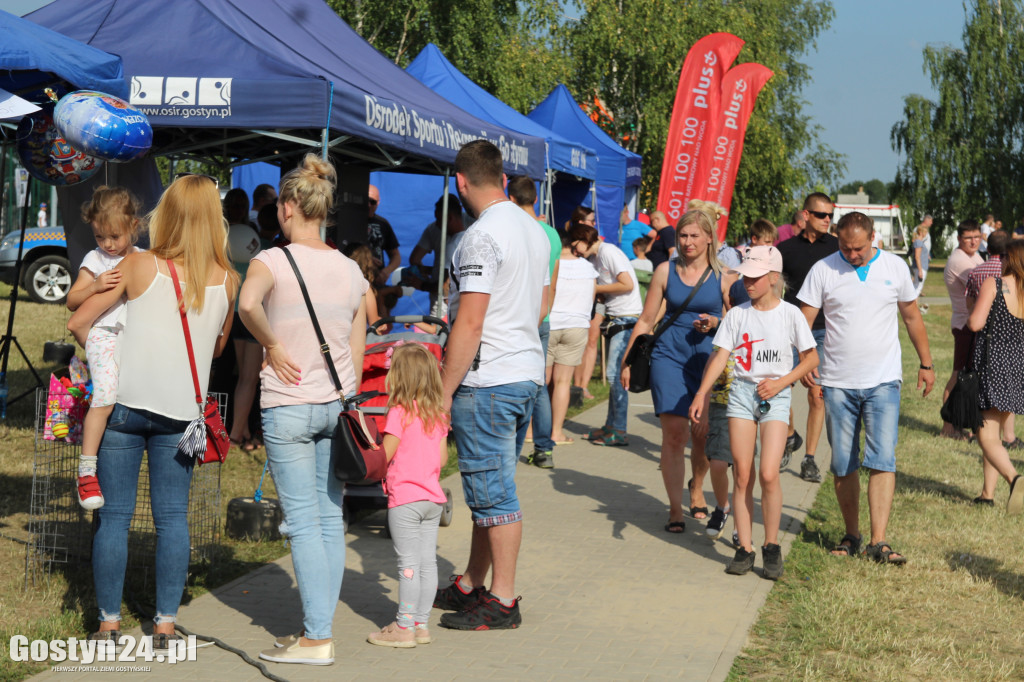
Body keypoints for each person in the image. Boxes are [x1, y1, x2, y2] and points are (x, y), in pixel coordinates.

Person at [66, 173, 237, 650]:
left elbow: (79, 318)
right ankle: (164, 624)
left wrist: (106, 362)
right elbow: (218, 350)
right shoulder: (229, 278)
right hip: (183, 415)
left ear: (168, 214)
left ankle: (107, 624)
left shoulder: (141, 264)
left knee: (114, 517)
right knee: (173, 520)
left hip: (123, 407)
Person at [241, 154, 368, 665]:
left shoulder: (271, 261)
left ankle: (317, 638)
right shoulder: (351, 268)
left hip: (289, 407)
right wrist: (347, 397)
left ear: (288, 208)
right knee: (329, 517)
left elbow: (248, 305)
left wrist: (271, 343)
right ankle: (318, 626)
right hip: (334, 407)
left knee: (303, 522)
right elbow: (357, 348)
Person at [434, 140, 549, 631]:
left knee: (494, 495)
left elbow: (470, 323)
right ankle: (472, 583)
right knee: (491, 485)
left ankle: (502, 599)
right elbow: (542, 304)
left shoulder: (479, 237)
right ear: (501, 176)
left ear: (461, 181)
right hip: (524, 370)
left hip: (489, 379)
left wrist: (440, 395)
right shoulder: (535, 230)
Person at [798, 211, 935, 564]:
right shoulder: (824, 269)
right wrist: (801, 361)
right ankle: (851, 536)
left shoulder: (894, 268)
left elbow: (911, 316)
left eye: (858, 248)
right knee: (843, 463)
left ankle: (879, 541)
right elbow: (803, 321)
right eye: (845, 247)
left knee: (882, 459)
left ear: (873, 237)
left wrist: (926, 363)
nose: (852, 254)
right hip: (838, 382)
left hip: (883, 381)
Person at [690, 245, 818, 578]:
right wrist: (702, 394)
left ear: (773, 277)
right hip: (741, 394)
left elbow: (811, 358)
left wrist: (781, 383)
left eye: (756, 277)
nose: (748, 282)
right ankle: (745, 549)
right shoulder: (737, 315)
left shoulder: (790, 314)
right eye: (746, 276)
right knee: (743, 473)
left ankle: (771, 546)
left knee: (769, 473)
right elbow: (720, 357)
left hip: (775, 395)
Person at [621, 203, 735, 530]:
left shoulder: (723, 278)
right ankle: (674, 508)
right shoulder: (664, 271)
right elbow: (645, 320)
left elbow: (736, 322)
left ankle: (696, 488)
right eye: (683, 235)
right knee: (674, 435)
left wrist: (715, 322)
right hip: (668, 357)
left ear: (709, 238)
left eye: (695, 236)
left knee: (700, 435)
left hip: (707, 361)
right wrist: (628, 362)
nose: (688, 242)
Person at [65, 186, 143, 510]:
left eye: (115, 236)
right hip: (102, 333)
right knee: (106, 396)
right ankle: (86, 470)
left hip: (133, 337)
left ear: (133, 227)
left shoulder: (140, 258)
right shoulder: (94, 260)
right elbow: (71, 300)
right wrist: (95, 285)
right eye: (100, 237)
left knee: (125, 398)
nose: (108, 244)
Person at [367, 343, 449, 648]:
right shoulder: (438, 415)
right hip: (433, 499)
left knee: (408, 566)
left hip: (405, 501)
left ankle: (403, 627)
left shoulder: (399, 412)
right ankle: (421, 625)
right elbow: (441, 461)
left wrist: (370, 450)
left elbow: (385, 455)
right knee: (428, 564)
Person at [777, 192, 839, 483]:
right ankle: (789, 434)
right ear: (805, 215)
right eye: (821, 215)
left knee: (817, 395)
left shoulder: (839, 249)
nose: (827, 220)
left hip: (825, 331)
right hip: (789, 331)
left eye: (830, 215)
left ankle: (810, 458)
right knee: (779, 390)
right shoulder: (785, 249)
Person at [569, 223, 643, 447]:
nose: (575, 251)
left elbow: (627, 284)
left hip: (627, 318)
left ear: (584, 238)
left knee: (615, 375)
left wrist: (595, 290)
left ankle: (619, 429)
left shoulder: (608, 252)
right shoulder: (594, 259)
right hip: (615, 318)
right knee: (613, 376)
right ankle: (610, 425)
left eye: (576, 246)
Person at [967, 240, 1024, 512]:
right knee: (996, 435)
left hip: (992, 366)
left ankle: (1015, 479)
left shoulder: (995, 284)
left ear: (1008, 259)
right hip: (1017, 367)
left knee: (985, 437)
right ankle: (987, 494)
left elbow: (975, 323)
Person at [508, 175, 560, 468]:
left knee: (517, 381)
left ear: (511, 200)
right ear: (536, 199)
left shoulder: (518, 230)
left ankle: (513, 452)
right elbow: (555, 281)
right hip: (545, 315)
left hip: (521, 316)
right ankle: (544, 449)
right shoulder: (551, 234)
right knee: (538, 384)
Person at [546, 234, 598, 460]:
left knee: (541, 382)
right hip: (577, 325)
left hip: (551, 322)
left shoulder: (551, 264)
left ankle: (529, 430)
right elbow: (593, 296)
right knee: (563, 382)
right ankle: (556, 432)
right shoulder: (588, 268)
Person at [224, 188, 264, 453]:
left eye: (242, 203)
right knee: (249, 377)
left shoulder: (251, 237)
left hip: (244, 310)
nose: (238, 207)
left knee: (247, 377)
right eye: (234, 203)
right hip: (241, 311)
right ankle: (237, 433)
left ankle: (243, 428)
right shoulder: (222, 236)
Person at [942, 221, 984, 440]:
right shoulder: (959, 260)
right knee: (958, 375)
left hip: (970, 323)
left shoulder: (974, 257)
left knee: (966, 375)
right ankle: (948, 427)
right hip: (964, 325)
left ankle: (957, 425)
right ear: (959, 239)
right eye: (968, 237)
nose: (973, 241)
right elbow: (983, 288)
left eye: (977, 236)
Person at [408, 194, 467, 317]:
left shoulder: (451, 246)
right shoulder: (469, 238)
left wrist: (421, 285)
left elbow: (445, 284)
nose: (437, 225)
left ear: (450, 218)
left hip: (444, 311)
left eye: (439, 220)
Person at [368, 184, 402, 286]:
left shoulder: (382, 223)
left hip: (376, 280)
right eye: (366, 200)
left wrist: (386, 272)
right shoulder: (350, 220)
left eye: (372, 202)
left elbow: (396, 255)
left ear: (378, 203)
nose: (368, 205)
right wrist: (366, 259)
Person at [911, 215, 933, 297]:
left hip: (923, 257)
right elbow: (915, 242)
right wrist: (920, 270)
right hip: (920, 260)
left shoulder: (924, 230)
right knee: (917, 285)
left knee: (917, 284)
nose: (931, 223)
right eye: (931, 221)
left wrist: (927, 253)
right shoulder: (918, 231)